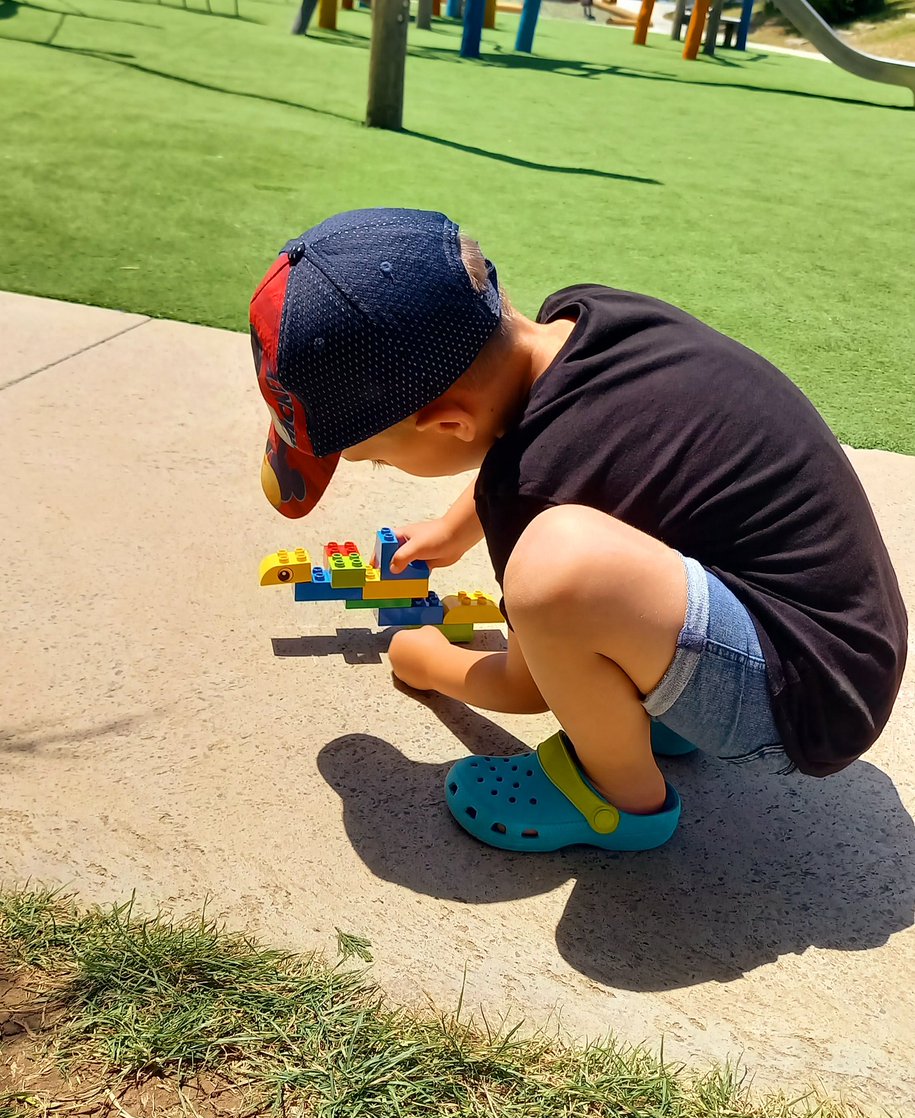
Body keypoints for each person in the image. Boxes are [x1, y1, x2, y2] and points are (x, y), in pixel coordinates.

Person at [250, 208, 907, 853]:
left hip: (806, 706)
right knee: (598, 549)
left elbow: (525, 687)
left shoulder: (527, 494)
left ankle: (614, 800)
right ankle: (662, 698)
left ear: (449, 425)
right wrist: (453, 531)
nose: (377, 465)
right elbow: (554, 439)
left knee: (557, 577)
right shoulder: (590, 317)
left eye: (374, 454)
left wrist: (423, 658)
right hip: (841, 638)